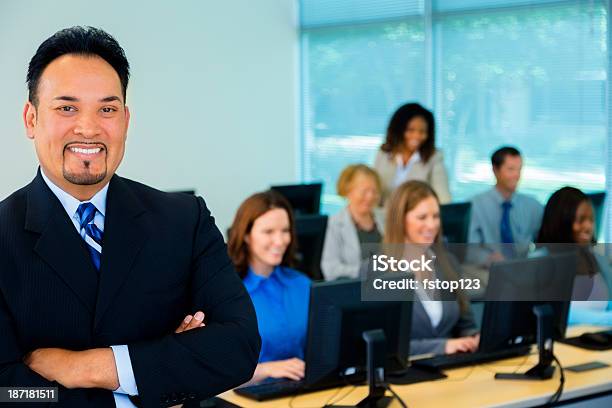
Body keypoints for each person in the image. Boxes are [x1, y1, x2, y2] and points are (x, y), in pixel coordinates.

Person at [0, 26, 260, 407]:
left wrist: (89, 367)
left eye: (106, 109)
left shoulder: (184, 220)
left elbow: (237, 346)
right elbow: (11, 392)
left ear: (125, 120)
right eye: (66, 107)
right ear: (31, 119)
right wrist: (147, 384)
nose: (88, 128)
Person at [384, 181, 478, 355]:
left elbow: (465, 324)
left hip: (451, 370)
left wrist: (474, 337)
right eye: (422, 217)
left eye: (436, 216)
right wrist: (443, 346)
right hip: (405, 374)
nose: (432, 225)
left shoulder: (448, 262)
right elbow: (385, 345)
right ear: (400, 220)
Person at [228, 190, 311, 384]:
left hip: (303, 393)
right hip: (246, 398)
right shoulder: (228, 295)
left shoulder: (302, 285)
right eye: (268, 232)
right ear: (246, 235)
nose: (280, 241)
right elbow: (214, 374)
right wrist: (265, 370)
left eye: (285, 231)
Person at [536, 187, 612, 326]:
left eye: (591, 219)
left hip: (598, 343)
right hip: (563, 344)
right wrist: (607, 319)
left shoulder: (597, 259)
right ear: (562, 222)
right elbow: (559, 313)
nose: (588, 226)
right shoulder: (540, 263)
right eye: (581, 220)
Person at [468, 146, 543, 263]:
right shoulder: (475, 205)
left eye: (519, 169)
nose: (517, 175)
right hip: (489, 268)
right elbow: (468, 248)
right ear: (495, 170)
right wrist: (487, 258)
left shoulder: (533, 206)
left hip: (524, 267)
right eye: (511, 169)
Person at [374, 103, 451, 205]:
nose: (417, 136)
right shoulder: (383, 154)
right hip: (383, 217)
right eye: (410, 130)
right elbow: (374, 191)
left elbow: (443, 199)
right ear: (399, 130)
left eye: (422, 131)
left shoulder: (434, 158)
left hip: (417, 218)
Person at [321, 164, 385, 280]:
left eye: (374, 191)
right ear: (348, 191)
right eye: (364, 191)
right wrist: (364, 270)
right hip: (354, 290)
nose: (370, 196)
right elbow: (330, 269)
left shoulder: (384, 218)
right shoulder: (334, 224)